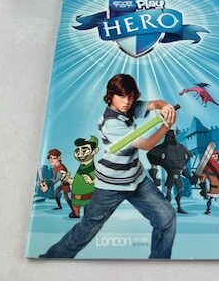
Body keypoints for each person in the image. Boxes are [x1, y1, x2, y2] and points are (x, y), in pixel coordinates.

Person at [41, 74, 177, 259]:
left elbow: (155, 104)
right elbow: (147, 145)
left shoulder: (129, 107)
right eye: (121, 96)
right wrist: (166, 125)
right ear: (111, 95)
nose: (127, 102)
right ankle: (52, 258)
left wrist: (166, 107)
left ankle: (158, 264)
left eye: (130, 97)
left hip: (136, 179)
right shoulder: (110, 123)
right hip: (111, 184)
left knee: (167, 217)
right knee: (87, 228)